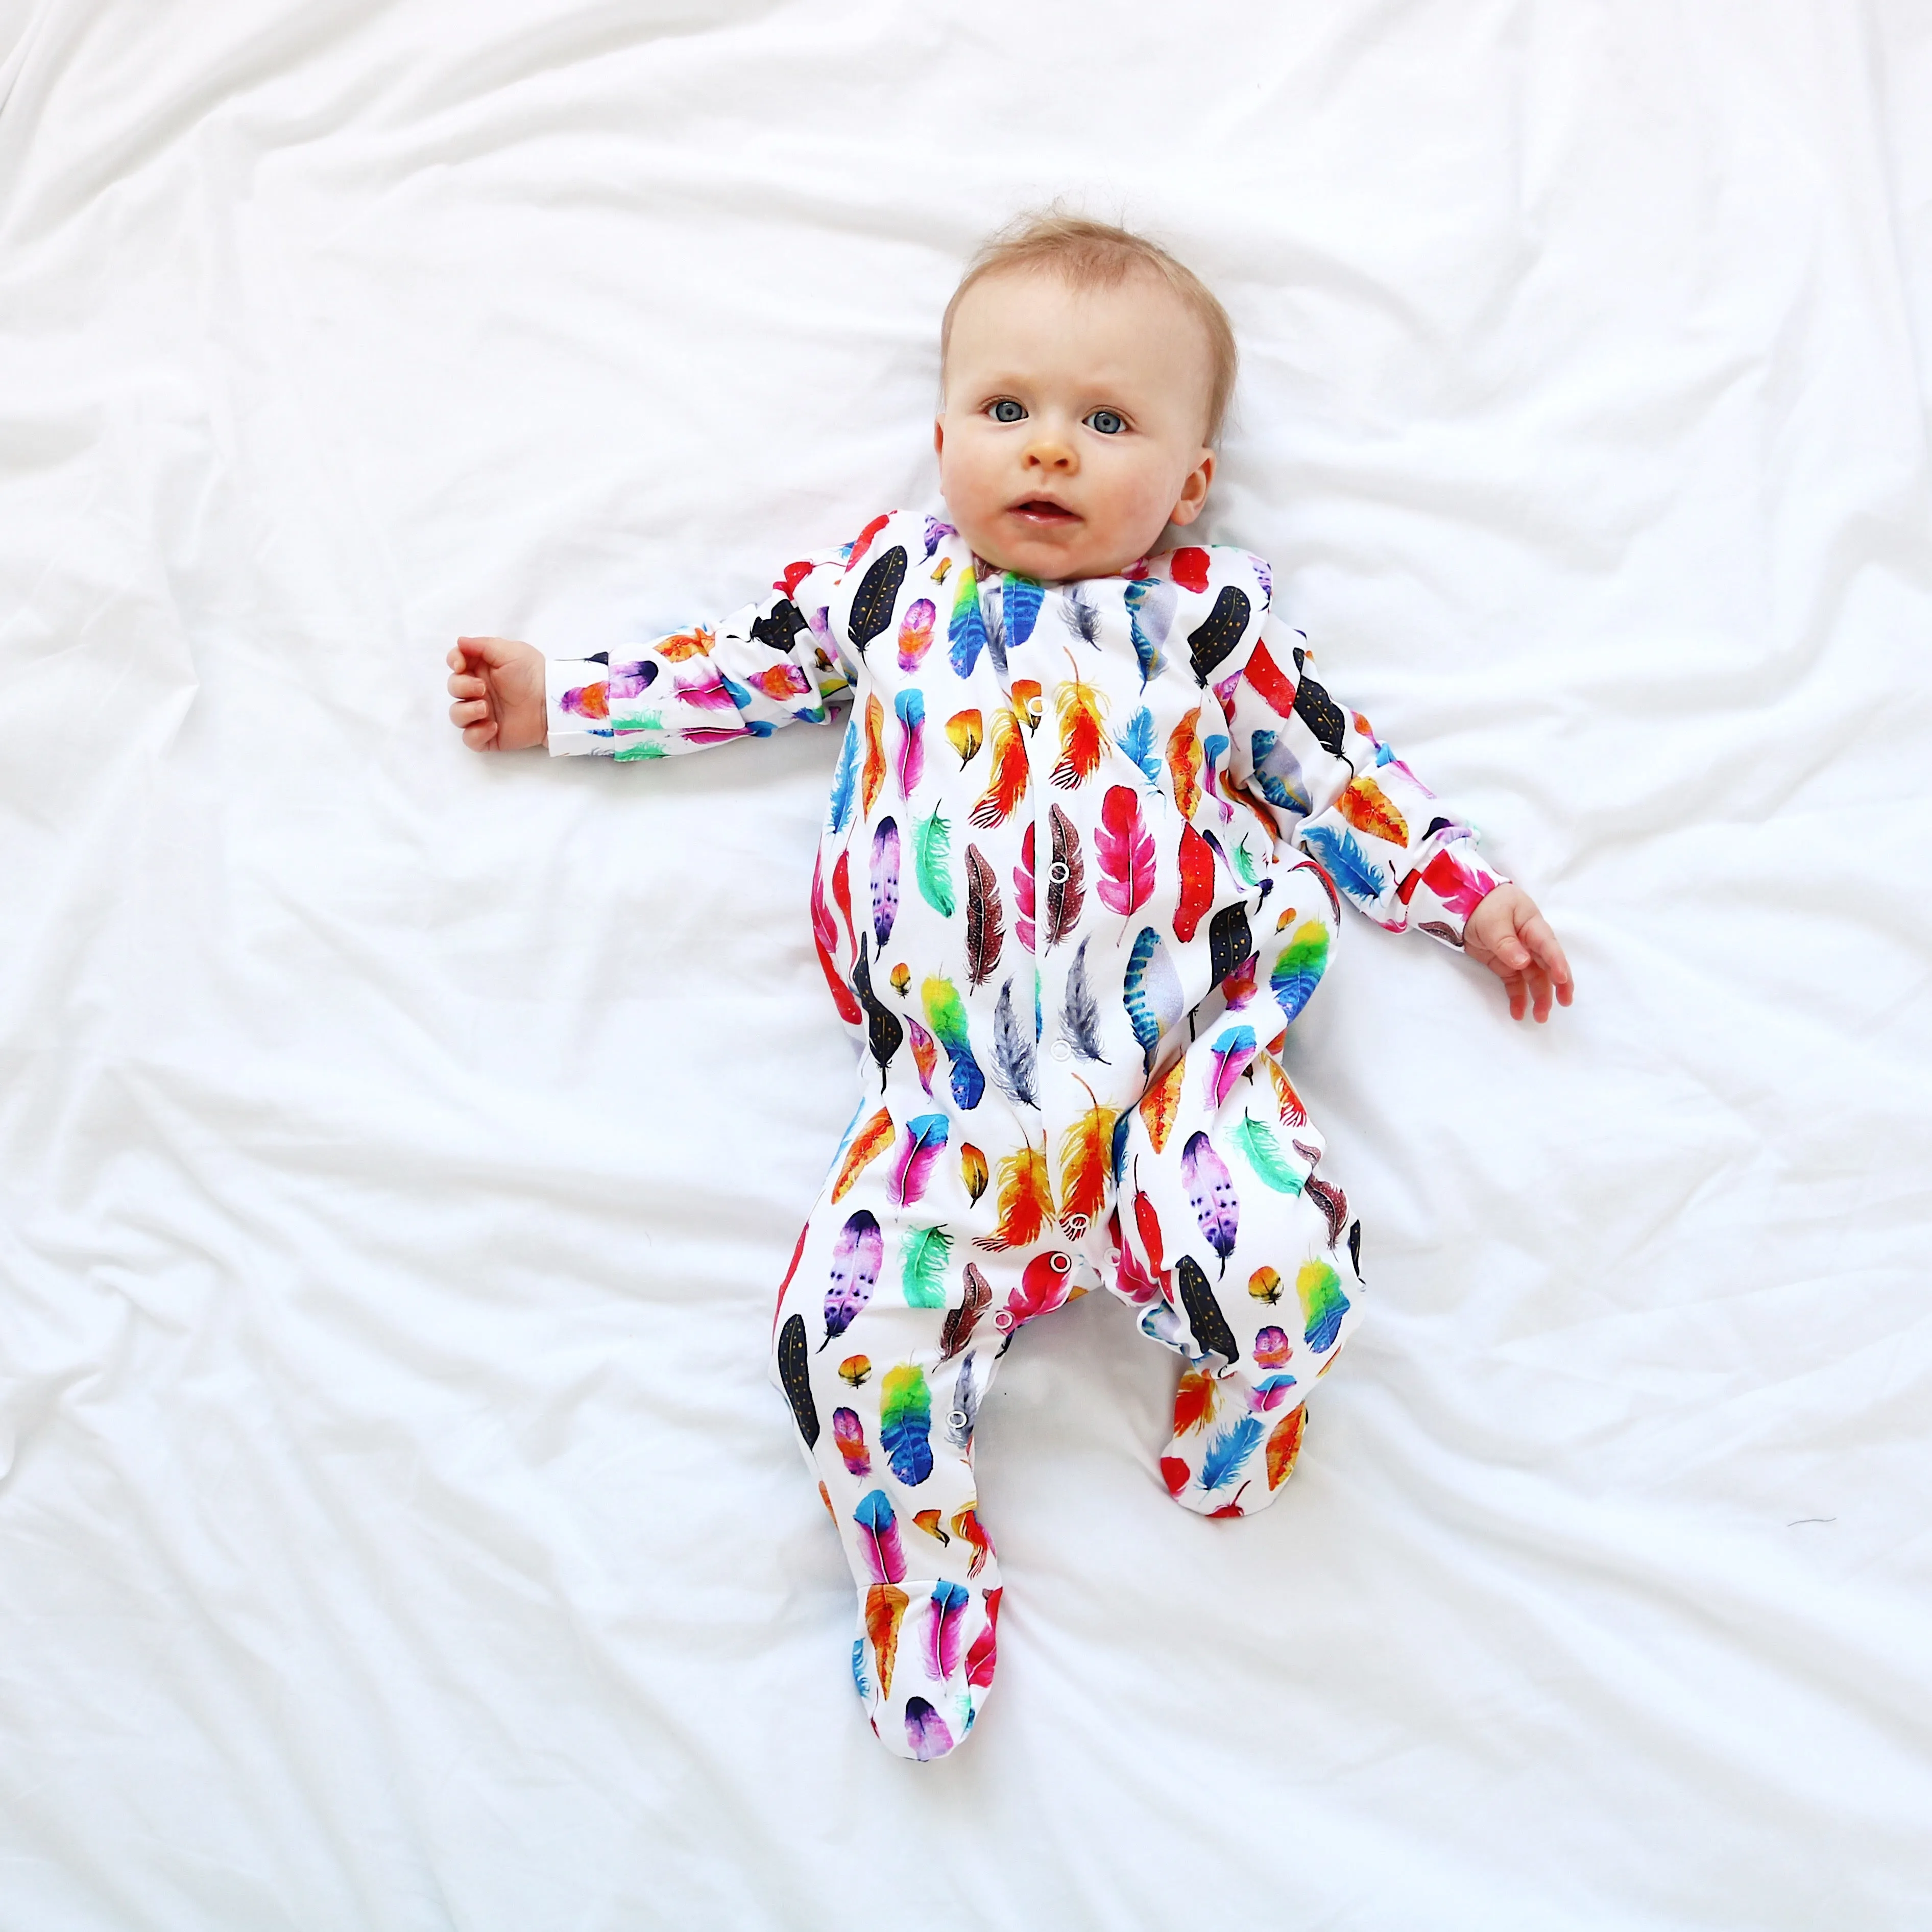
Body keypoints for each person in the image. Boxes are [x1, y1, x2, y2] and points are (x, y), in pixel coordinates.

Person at [445, 215, 1574, 1761]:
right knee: (839, 1342)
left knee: (1294, 1272)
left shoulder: (1208, 617)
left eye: (1108, 423)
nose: (1050, 450)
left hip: (1167, 1089)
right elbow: (741, 664)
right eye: (1009, 411)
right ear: (940, 438)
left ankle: (1249, 1383)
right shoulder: (895, 582)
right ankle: (920, 1574)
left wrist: (1468, 894)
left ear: (1188, 484)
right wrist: (564, 699)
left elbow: (1336, 769)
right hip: (945, 1115)